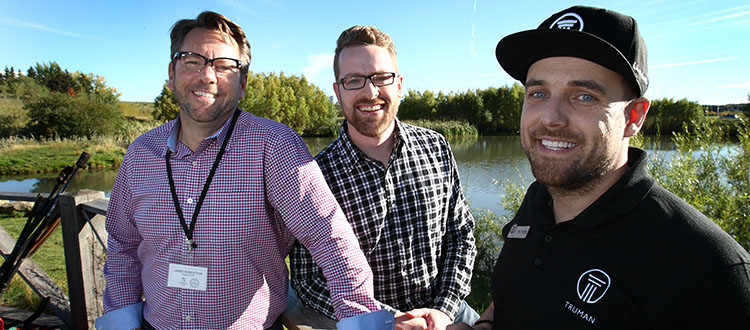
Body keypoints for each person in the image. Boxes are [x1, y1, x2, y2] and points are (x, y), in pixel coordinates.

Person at [95, 11, 393, 330]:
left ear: (242, 83)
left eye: (225, 66)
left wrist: (360, 319)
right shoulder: (141, 153)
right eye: (192, 61)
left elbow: (329, 235)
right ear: (172, 73)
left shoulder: (274, 146)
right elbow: (123, 245)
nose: (208, 76)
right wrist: (122, 321)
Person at [459, 5, 750, 330]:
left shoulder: (709, 272)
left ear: (634, 117)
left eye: (584, 96)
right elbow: (514, 295)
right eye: (538, 93)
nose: (550, 117)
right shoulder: (540, 198)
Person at [289, 25, 478, 330]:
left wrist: (443, 310)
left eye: (381, 77)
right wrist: (387, 320)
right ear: (338, 92)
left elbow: (461, 234)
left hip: (447, 312)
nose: (370, 92)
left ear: (399, 84)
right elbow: (308, 280)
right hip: (369, 322)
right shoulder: (314, 176)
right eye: (354, 80)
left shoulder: (436, 146)